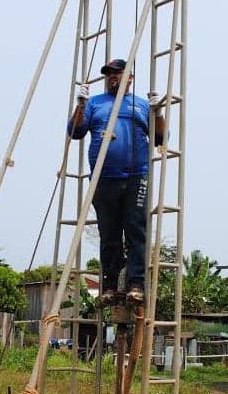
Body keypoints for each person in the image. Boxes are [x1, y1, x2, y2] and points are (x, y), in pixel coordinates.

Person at [67, 58, 165, 306]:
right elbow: (75, 132)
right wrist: (80, 105)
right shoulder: (95, 104)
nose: (112, 77)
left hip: (136, 176)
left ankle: (136, 284)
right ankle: (109, 285)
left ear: (129, 77)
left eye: (117, 73)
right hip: (104, 177)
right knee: (109, 234)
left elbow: (160, 137)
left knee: (136, 230)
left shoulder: (140, 105)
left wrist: (158, 112)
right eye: (108, 74)